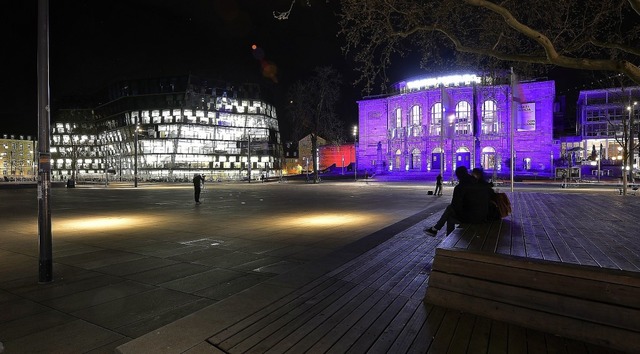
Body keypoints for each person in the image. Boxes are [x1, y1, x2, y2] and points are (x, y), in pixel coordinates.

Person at [424, 166, 490, 236]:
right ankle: (436, 230)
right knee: (450, 213)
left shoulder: (460, 187)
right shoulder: (475, 182)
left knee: (450, 212)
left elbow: (455, 206)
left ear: (458, 176)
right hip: (482, 214)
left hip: (473, 217)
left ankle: (439, 232)